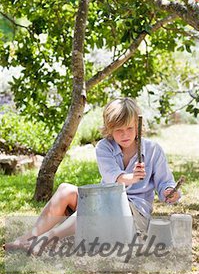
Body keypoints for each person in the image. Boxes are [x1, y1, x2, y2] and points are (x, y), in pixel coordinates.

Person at [5, 97, 180, 252]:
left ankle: (48, 239)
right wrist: (131, 177)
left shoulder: (152, 150)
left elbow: (165, 183)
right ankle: (30, 236)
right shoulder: (105, 147)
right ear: (109, 129)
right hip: (105, 203)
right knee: (67, 190)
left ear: (137, 125)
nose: (125, 134)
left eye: (129, 128)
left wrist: (169, 192)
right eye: (118, 130)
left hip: (134, 217)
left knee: (99, 204)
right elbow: (113, 176)